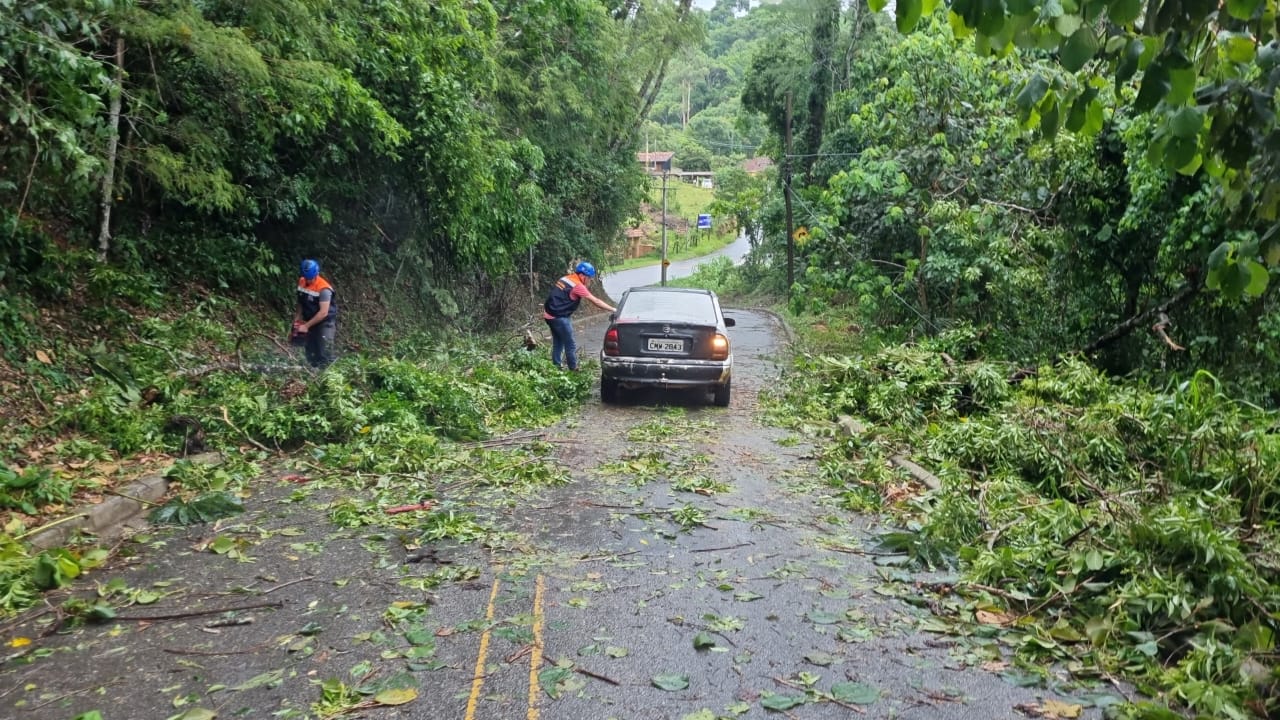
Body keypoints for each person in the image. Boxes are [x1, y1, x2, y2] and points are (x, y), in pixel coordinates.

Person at [543, 261, 615, 371]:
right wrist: (613, 309)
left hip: (548, 315)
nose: (590, 281)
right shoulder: (577, 285)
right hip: (559, 317)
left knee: (558, 342)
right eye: (589, 278)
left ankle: (556, 367)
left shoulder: (566, 278)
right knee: (570, 344)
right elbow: (595, 301)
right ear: (582, 275)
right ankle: (573, 369)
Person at [293, 259, 338, 368]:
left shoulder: (324, 289)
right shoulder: (302, 282)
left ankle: (330, 376)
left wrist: (306, 326)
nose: (308, 281)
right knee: (310, 351)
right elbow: (300, 302)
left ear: (316, 274)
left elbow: (323, 312)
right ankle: (312, 373)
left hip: (325, 322)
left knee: (324, 350)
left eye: (311, 279)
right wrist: (297, 319)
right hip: (309, 319)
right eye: (306, 278)